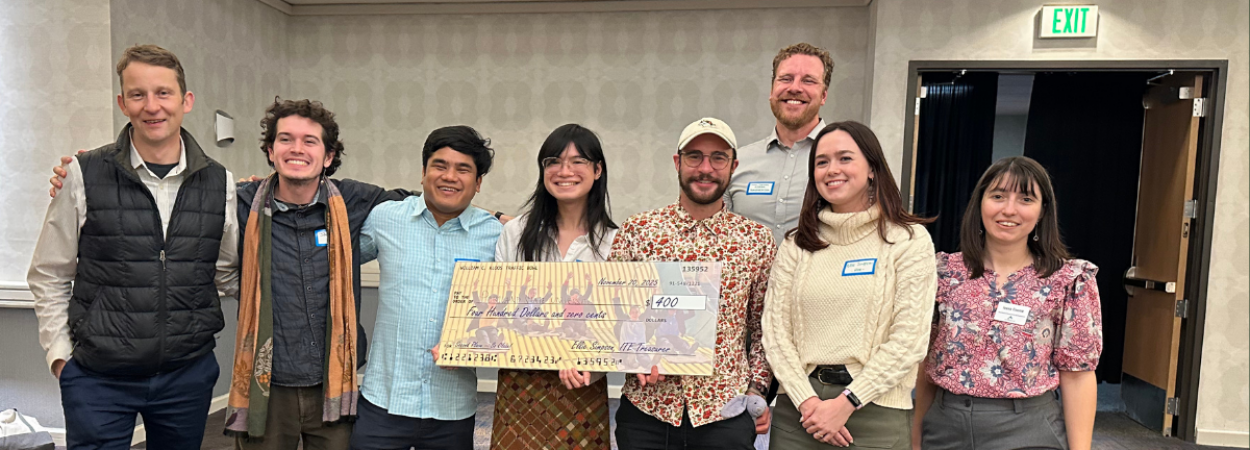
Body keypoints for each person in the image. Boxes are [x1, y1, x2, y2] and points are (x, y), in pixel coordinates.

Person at [27, 44, 239, 449]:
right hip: (97, 378)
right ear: (123, 104)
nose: (151, 106)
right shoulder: (82, 174)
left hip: (186, 375)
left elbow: (227, 271)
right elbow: (49, 274)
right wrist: (60, 357)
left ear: (186, 101)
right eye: (138, 94)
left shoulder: (220, 182)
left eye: (163, 93)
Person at [224, 99, 417, 449]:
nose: (297, 149)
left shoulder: (355, 200)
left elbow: (425, 203)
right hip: (267, 383)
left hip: (334, 384)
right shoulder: (240, 204)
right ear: (271, 151)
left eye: (309, 141)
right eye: (285, 139)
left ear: (328, 156)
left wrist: (495, 217)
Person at [761, 121, 937, 449]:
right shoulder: (796, 245)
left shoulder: (908, 240)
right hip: (799, 413)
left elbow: (910, 340)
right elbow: (775, 333)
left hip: (876, 412)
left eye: (845, 158)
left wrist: (847, 402)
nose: (832, 170)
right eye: (822, 162)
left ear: (872, 168)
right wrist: (807, 403)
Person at [912, 156, 1102, 450]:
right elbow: (926, 361)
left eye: (1026, 199)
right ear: (980, 203)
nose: (1009, 209)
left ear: (1042, 211)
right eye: (998, 196)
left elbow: (1078, 376)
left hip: (1027, 429)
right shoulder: (944, 272)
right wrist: (916, 436)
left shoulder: (1067, 280)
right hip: (945, 428)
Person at [609, 117, 775, 450]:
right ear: (678, 162)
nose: (705, 168)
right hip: (647, 411)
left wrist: (757, 389)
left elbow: (764, 328)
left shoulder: (756, 240)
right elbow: (614, 312)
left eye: (718, 158)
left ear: (733, 166)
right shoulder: (638, 231)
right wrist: (632, 357)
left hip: (725, 416)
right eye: (694, 156)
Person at [351, 125, 502, 450]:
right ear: (423, 172)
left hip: (452, 406)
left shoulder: (495, 236)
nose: (450, 177)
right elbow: (335, 260)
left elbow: (510, 310)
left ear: (478, 183)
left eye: (463, 169)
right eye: (440, 165)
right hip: (383, 402)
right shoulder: (384, 219)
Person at [491, 123, 617, 450]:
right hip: (520, 382)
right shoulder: (516, 233)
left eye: (578, 161)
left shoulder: (615, 242)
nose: (565, 171)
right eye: (554, 162)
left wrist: (591, 363)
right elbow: (500, 312)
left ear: (597, 170)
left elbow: (620, 323)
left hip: (583, 385)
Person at [726, 43, 834, 243]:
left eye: (808, 81)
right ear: (772, 89)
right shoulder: (737, 162)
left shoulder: (848, 162)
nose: (795, 88)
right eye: (786, 79)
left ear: (824, 96)